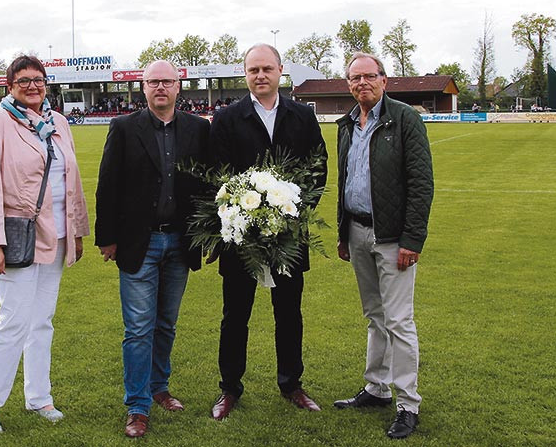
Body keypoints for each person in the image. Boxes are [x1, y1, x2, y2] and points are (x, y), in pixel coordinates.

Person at [0, 55, 90, 434]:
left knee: (42, 321)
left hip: (55, 236)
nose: (33, 86)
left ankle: (39, 396)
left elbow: (71, 179)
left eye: (39, 80)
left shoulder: (58, 122)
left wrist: (76, 231)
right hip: (15, 236)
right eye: (24, 81)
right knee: (15, 321)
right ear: (10, 86)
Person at [208, 44, 328, 420]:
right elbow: (218, 173)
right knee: (235, 315)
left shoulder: (302, 116)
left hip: (289, 238)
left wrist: (292, 214)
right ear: (245, 74)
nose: (260, 76)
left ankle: (291, 384)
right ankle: (230, 389)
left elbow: (318, 167)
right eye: (253, 70)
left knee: (289, 313)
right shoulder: (227, 117)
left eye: (266, 69)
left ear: (280, 71)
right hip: (241, 238)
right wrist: (242, 216)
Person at [95, 60, 210, 438]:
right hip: (138, 243)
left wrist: (207, 233)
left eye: (167, 81)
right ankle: (137, 405)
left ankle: (159, 388)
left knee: (166, 323)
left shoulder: (197, 128)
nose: (160, 87)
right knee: (139, 327)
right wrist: (107, 237)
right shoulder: (124, 127)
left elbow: (208, 185)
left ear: (179, 87)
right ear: (142, 88)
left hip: (180, 241)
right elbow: (108, 185)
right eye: (153, 81)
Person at [333, 52, 433, 440]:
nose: (362, 83)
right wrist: (344, 234)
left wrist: (412, 239)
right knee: (375, 316)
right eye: (355, 78)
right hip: (358, 233)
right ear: (348, 85)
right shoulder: (346, 125)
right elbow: (346, 182)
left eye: (369, 77)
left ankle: (408, 403)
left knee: (399, 321)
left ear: (384, 80)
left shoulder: (404, 119)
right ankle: (376, 388)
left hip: (392, 239)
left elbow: (421, 183)